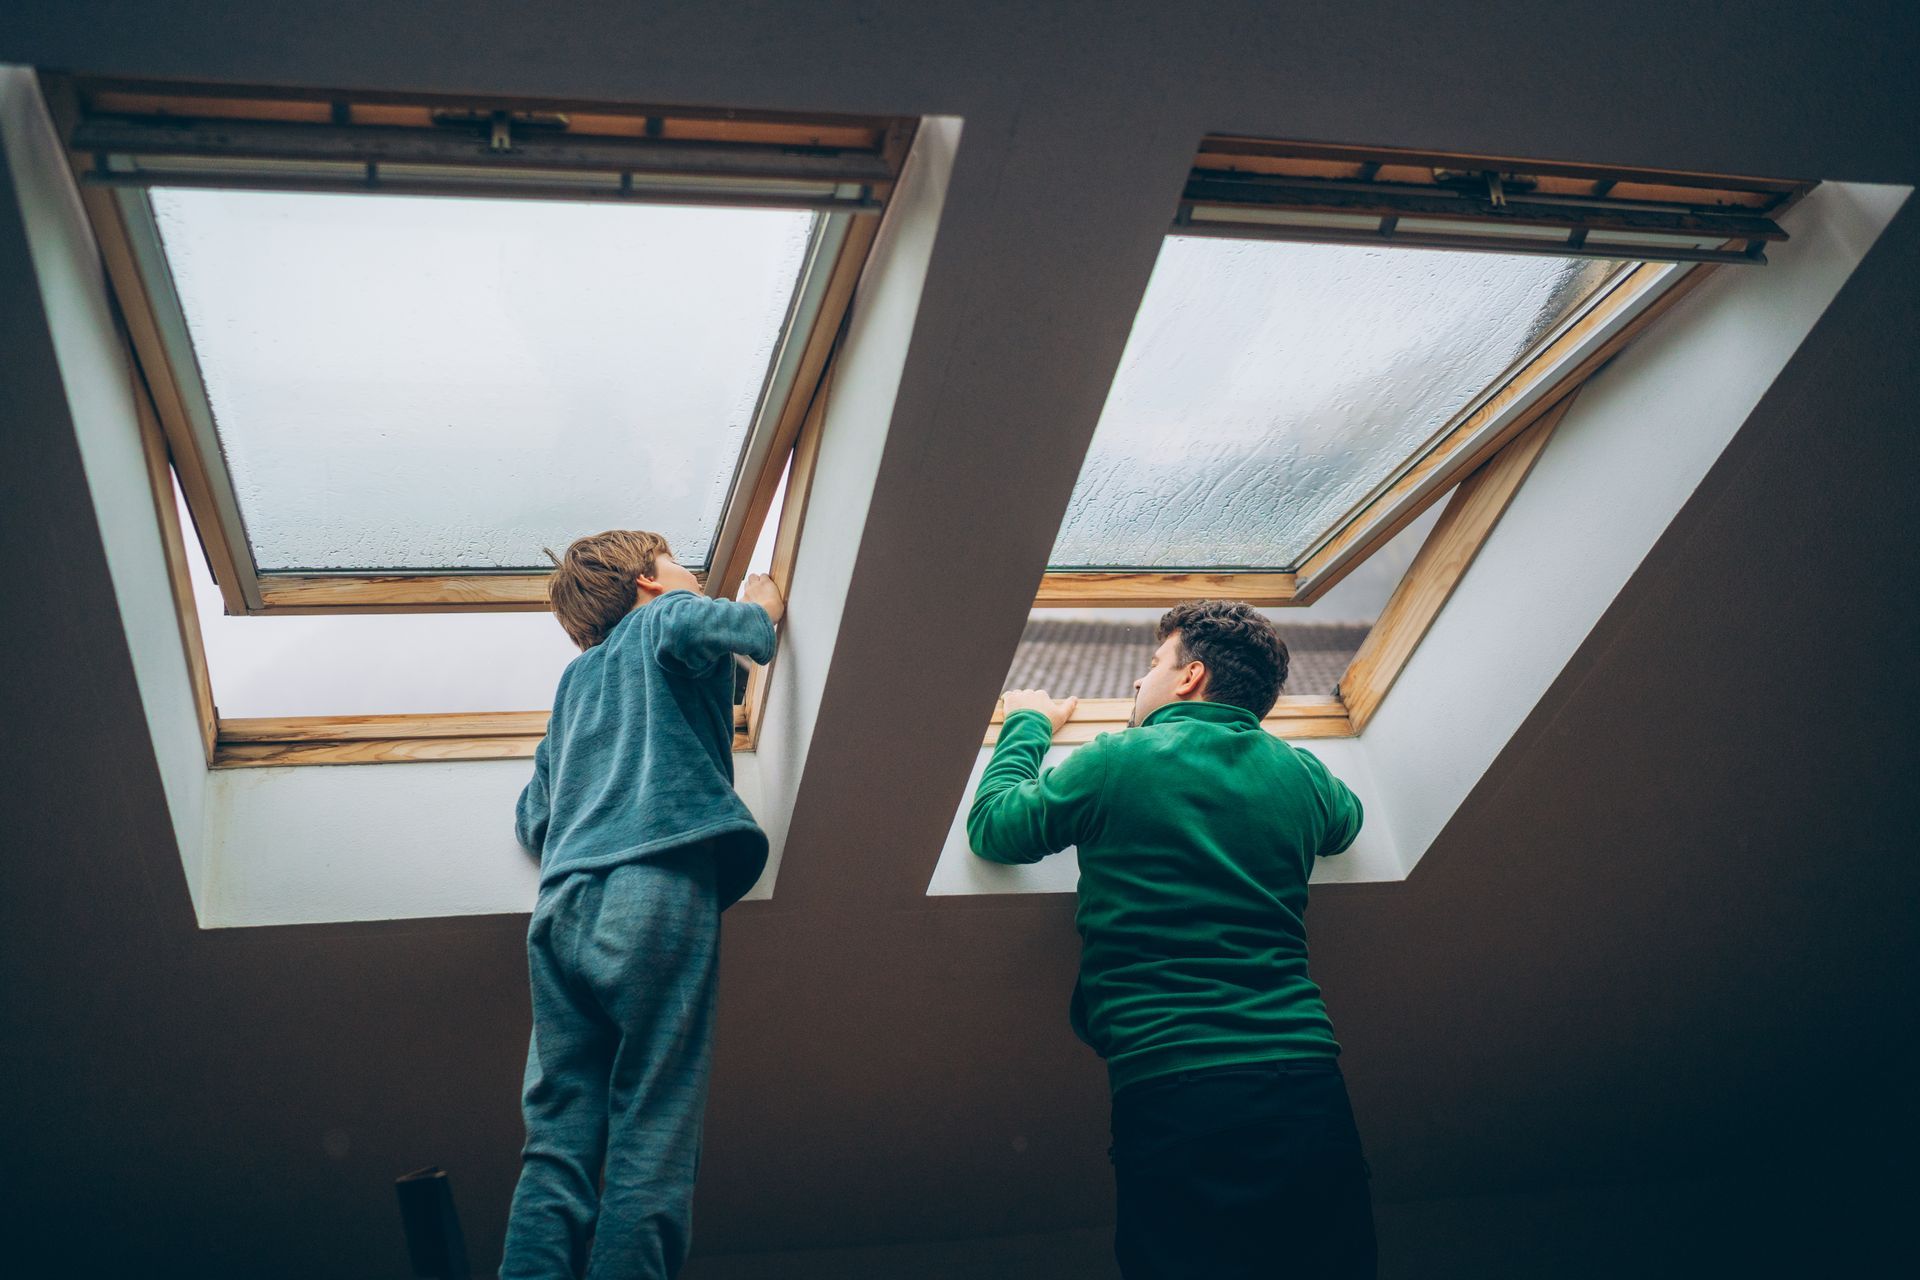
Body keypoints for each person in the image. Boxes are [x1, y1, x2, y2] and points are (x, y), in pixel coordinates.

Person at [969, 599, 1374, 1279]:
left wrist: (1027, 723)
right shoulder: (1299, 773)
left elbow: (996, 826)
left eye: (1154, 665)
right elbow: (1348, 821)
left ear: (1189, 679)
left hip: (1177, 1087)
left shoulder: (1115, 761)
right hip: (1306, 1080)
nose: (1138, 682)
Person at [502, 529, 783, 1280]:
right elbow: (742, 632)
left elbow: (535, 816)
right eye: (684, 569)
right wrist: (761, 602)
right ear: (652, 583)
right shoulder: (665, 618)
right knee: (652, 1126)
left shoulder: (575, 687)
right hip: (654, 888)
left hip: (561, 914)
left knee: (558, 1139)